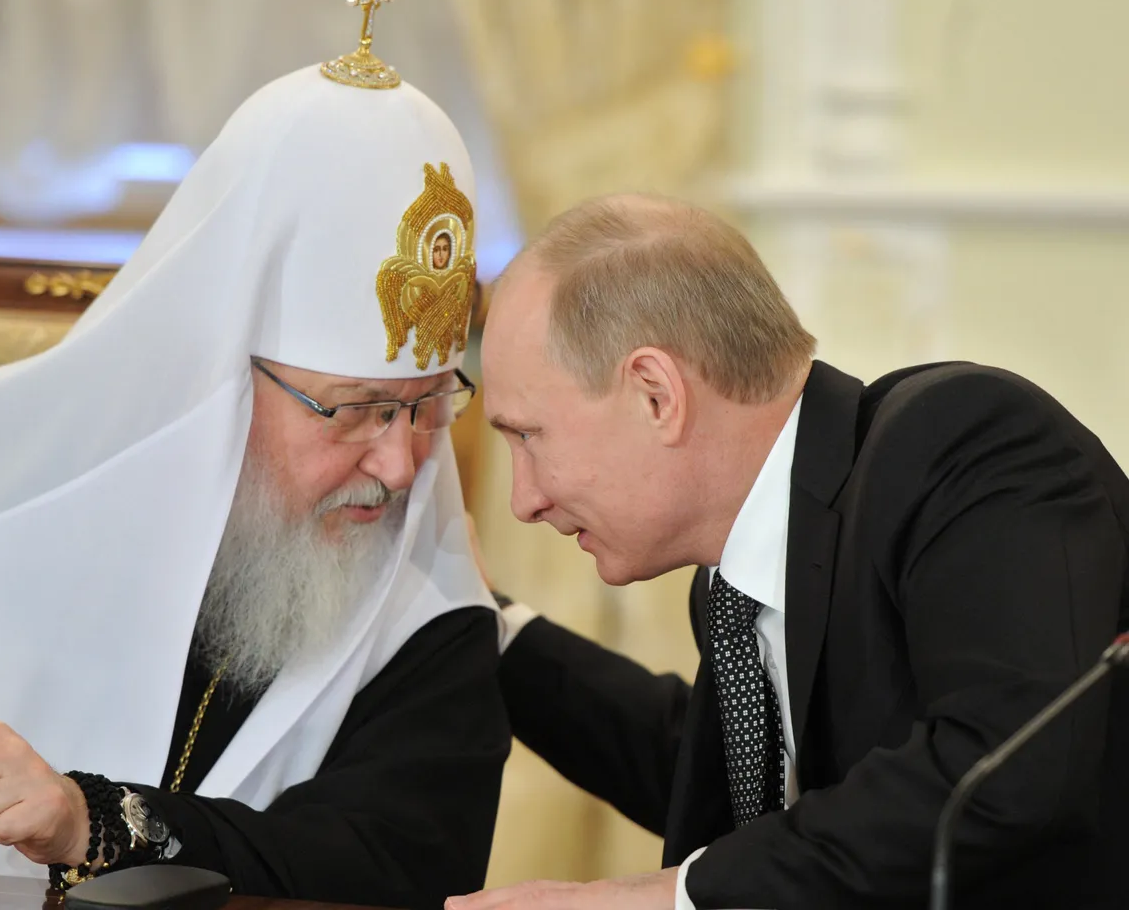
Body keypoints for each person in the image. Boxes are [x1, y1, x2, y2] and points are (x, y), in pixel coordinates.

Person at [0, 0, 510, 910]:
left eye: (430, 404)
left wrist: (100, 821)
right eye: (356, 409)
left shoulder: (428, 608)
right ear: (221, 377)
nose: (401, 469)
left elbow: (392, 871)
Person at [451, 194, 1129, 910]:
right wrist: (487, 631)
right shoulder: (730, 586)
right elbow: (732, 792)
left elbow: (998, 773)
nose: (523, 500)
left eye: (528, 436)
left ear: (656, 395)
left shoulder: (961, 448)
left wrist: (670, 896)